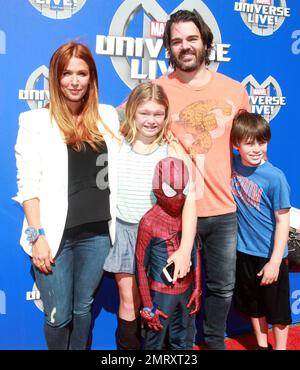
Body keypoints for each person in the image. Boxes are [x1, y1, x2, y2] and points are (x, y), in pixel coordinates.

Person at [14, 42, 120, 350]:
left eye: (82, 73)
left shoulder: (108, 116)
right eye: (67, 73)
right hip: (53, 238)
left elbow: (148, 123)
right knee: (58, 316)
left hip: (99, 235)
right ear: (55, 78)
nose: (74, 81)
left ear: (92, 78)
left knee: (82, 308)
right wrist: (38, 237)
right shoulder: (34, 122)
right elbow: (28, 184)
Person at [155, 9, 250, 349]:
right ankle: (182, 346)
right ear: (169, 46)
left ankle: (213, 343)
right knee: (178, 287)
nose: (185, 46)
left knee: (222, 287)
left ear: (205, 42)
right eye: (177, 40)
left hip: (224, 211)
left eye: (192, 39)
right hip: (176, 214)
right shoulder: (156, 91)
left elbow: (251, 144)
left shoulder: (235, 91)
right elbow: (120, 126)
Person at [103, 81, 197, 349]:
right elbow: (102, 115)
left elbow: (190, 202)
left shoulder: (173, 150)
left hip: (162, 238)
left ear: (166, 116)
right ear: (132, 112)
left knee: (161, 300)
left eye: (158, 114)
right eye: (144, 113)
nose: (151, 120)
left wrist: (185, 249)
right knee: (128, 297)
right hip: (124, 231)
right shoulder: (117, 143)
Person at [230, 110, 291, 350]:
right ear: (236, 145)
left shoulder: (275, 178)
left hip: (271, 256)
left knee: (277, 310)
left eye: (262, 142)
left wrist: (275, 261)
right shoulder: (232, 164)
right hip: (244, 252)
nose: (256, 149)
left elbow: (283, 221)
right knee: (253, 305)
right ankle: (262, 345)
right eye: (249, 143)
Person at [136, 157, 201, 350]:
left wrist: (197, 287)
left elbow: (194, 251)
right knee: (153, 344)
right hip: (159, 295)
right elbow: (140, 265)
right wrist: (147, 305)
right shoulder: (149, 222)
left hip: (186, 291)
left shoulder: (188, 214)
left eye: (184, 190)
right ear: (158, 186)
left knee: (183, 342)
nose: (179, 197)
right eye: (172, 190)